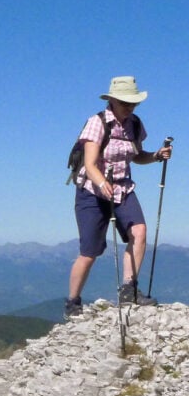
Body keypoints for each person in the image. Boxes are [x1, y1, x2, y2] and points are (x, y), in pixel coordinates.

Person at [65, 76, 173, 319]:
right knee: (89, 252)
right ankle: (72, 302)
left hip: (122, 188)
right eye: (125, 102)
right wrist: (103, 183)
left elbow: (136, 156)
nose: (130, 106)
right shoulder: (97, 122)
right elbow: (91, 164)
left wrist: (156, 155)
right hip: (92, 191)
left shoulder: (134, 124)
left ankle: (128, 290)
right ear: (112, 99)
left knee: (140, 232)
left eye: (133, 102)